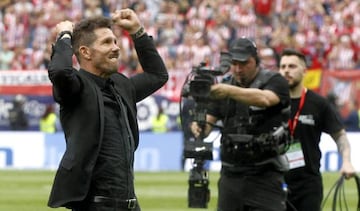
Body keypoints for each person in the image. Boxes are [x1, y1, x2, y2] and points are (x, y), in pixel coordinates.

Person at [47, 8, 168, 211]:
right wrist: (65, 35)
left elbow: (158, 75)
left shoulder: (121, 85)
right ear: (85, 52)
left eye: (114, 41)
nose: (115, 48)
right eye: (106, 42)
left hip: (129, 205)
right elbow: (60, 71)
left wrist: (137, 31)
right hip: (95, 206)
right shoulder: (75, 87)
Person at [191, 37, 291, 211]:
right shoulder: (224, 86)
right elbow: (208, 123)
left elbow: (265, 99)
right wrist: (199, 125)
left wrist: (228, 91)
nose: (238, 69)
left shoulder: (275, 81)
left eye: (244, 64)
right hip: (230, 175)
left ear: (256, 61)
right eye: (235, 64)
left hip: (265, 174)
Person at [278, 48, 356, 211]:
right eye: (283, 66)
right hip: (273, 182)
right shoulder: (270, 101)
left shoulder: (319, 104)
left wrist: (347, 162)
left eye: (292, 66)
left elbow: (340, 136)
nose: (286, 71)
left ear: (304, 71)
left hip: (307, 185)